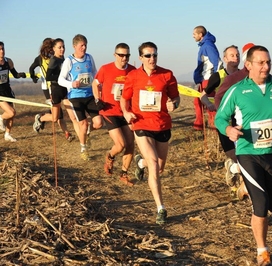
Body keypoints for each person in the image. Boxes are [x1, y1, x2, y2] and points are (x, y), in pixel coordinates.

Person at [215, 45, 272, 266]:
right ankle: (263, 251)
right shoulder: (238, 90)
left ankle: (248, 190)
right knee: (260, 204)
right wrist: (229, 130)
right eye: (261, 62)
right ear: (248, 65)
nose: (266, 66)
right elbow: (220, 119)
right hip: (248, 154)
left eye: (269, 62)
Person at [121, 41, 180, 225]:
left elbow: (176, 98)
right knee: (154, 164)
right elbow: (124, 99)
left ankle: (140, 162)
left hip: (162, 125)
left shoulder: (167, 75)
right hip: (141, 124)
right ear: (141, 58)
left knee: (159, 167)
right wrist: (126, 112)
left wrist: (174, 104)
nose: (152, 58)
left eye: (154, 55)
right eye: (148, 55)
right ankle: (160, 208)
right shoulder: (133, 76)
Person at [199, 44, 242, 194]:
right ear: (225, 58)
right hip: (225, 123)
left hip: (243, 122)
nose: (235, 58)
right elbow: (203, 95)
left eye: (237, 55)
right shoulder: (218, 76)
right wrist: (210, 105)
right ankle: (232, 171)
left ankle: (240, 188)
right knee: (234, 155)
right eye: (232, 55)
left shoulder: (245, 75)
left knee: (244, 156)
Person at [215, 43, 255, 199]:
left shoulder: (264, 78)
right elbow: (217, 97)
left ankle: (244, 185)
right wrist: (225, 117)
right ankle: (242, 182)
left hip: (255, 128)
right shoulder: (233, 78)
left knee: (250, 160)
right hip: (232, 126)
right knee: (240, 157)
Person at [92, 43, 136, 186]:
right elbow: (95, 83)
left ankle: (124, 173)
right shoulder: (106, 69)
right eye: (121, 55)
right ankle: (110, 156)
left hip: (125, 111)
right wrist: (97, 99)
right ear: (115, 55)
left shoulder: (132, 71)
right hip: (109, 111)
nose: (124, 58)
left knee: (130, 144)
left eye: (127, 55)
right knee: (120, 144)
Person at [58, 34, 102, 160]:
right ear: (74, 46)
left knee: (98, 123)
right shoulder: (69, 61)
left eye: (85, 45)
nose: (84, 48)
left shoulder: (89, 58)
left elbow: (94, 72)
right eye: (81, 45)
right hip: (75, 96)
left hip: (89, 95)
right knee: (83, 123)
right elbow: (60, 79)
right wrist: (71, 84)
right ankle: (83, 148)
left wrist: (98, 84)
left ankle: (87, 133)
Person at [30, 38, 73, 141]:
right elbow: (32, 68)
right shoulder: (40, 58)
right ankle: (40, 118)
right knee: (57, 115)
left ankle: (67, 133)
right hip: (48, 87)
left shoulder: (59, 57)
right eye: (49, 47)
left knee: (59, 114)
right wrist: (33, 77)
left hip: (60, 86)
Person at [45, 38, 77, 141]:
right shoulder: (53, 60)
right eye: (59, 47)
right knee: (55, 118)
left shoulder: (64, 59)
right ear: (54, 49)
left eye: (63, 47)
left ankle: (80, 139)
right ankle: (40, 117)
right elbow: (48, 77)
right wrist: (60, 78)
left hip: (65, 90)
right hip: (56, 90)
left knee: (73, 116)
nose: (62, 49)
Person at [192, 25, 222, 130]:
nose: (193, 36)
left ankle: (214, 128)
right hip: (202, 79)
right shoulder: (203, 46)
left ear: (200, 35)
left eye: (194, 34)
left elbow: (217, 62)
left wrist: (215, 79)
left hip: (209, 79)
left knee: (210, 105)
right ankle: (199, 125)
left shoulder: (208, 46)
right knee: (197, 101)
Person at [0, 41, 27, 142]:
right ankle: (1, 118)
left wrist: (21, 75)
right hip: (0, 94)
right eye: (0, 49)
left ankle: (7, 134)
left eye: (3, 48)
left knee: (12, 114)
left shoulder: (8, 61)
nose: (2, 51)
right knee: (11, 112)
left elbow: (15, 74)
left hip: (7, 90)